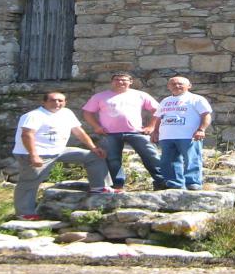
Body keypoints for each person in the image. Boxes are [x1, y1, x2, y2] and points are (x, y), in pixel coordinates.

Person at [12, 92, 112, 220]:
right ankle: (24, 213)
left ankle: (99, 187)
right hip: (36, 152)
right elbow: (27, 135)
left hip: (59, 150)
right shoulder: (33, 116)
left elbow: (79, 132)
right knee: (30, 181)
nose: (57, 103)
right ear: (44, 102)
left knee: (94, 156)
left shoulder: (67, 113)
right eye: (53, 100)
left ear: (65, 102)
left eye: (60, 101)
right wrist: (34, 155)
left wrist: (93, 148)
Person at [82, 72, 166, 191]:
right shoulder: (100, 96)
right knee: (113, 160)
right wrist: (96, 127)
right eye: (117, 79)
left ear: (130, 82)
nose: (120, 82)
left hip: (136, 132)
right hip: (109, 133)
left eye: (124, 80)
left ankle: (162, 182)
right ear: (112, 82)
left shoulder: (140, 95)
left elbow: (157, 110)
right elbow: (87, 112)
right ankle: (117, 185)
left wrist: (151, 126)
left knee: (151, 155)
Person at [152, 75, 213, 190]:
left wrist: (201, 129)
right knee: (168, 161)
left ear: (189, 86)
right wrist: (155, 132)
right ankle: (174, 183)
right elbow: (159, 118)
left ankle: (193, 183)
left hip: (188, 135)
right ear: (168, 86)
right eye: (173, 84)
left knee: (192, 159)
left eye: (180, 84)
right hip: (166, 136)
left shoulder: (196, 99)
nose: (177, 86)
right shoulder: (165, 101)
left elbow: (206, 115)